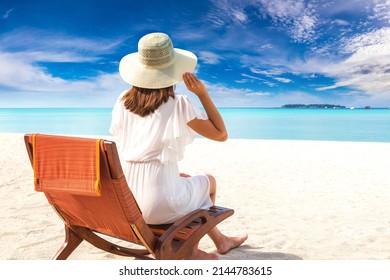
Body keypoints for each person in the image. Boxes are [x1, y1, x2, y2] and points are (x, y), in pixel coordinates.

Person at [110, 32, 247, 260]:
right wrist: (202, 94)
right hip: (157, 206)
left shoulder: (123, 100)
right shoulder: (178, 103)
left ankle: (221, 240)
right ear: (172, 70)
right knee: (208, 182)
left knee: (183, 176)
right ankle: (191, 250)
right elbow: (221, 135)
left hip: (128, 201)